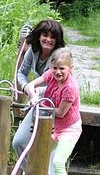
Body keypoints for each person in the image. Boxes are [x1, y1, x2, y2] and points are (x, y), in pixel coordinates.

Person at [23, 47, 82, 175]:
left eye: (62, 69)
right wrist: (33, 93)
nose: (57, 72)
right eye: (54, 68)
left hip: (69, 129)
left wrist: (40, 104)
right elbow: (32, 84)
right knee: (39, 157)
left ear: (70, 68)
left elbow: (61, 113)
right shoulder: (50, 75)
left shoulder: (70, 88)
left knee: (57, 162)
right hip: (54, 126)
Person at [9, 20, 65, 158]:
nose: (48, 40)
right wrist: (26, 87)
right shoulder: (34, 50)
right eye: (45, 35)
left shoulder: (59, 56)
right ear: (39, 36)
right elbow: (21, 73)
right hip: (38, 101)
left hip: (55, 106)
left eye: (53, 37)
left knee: (45, 150)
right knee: (19, 143)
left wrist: (35, 91)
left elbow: (60, 85)